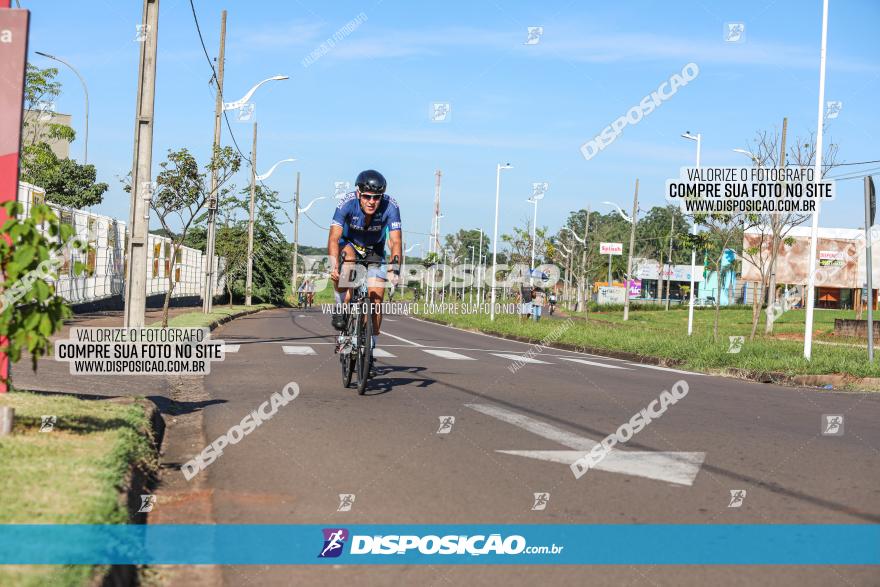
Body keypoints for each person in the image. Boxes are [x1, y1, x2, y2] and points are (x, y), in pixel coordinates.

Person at [328, 170, 402, 354]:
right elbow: (334, 238)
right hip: (349, 244)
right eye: (367, 196)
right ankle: (341, 305)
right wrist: (334, 264)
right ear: (359, 193)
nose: (372, 201)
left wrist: (395, 269)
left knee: (376, 299)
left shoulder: (391, 206)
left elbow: (395, 241)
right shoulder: (346, 203)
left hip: (374, 250)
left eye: (376, 197)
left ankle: (371, 343)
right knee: (347, 263)